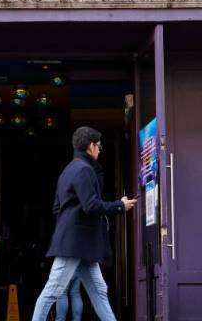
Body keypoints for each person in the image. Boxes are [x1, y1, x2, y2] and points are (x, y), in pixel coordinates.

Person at [32, 126, 137, 321]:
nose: (100, 149)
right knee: (52, 291)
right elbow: (91, 206)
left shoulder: (68, 171)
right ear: (91, 146)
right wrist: (119, 205)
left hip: (80, 244)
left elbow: (57, 208)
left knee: (99, 290)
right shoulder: (84, 170)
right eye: (99, 146)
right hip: (75, 245)